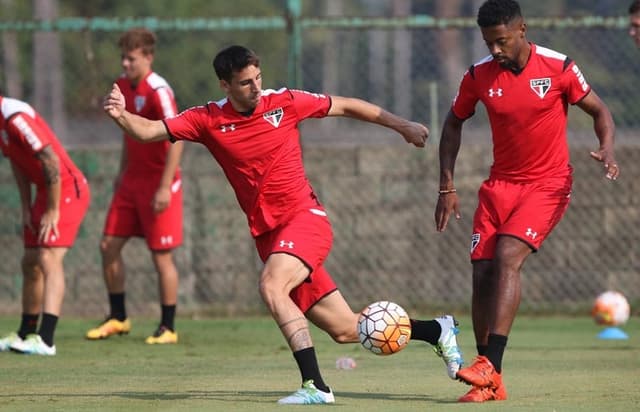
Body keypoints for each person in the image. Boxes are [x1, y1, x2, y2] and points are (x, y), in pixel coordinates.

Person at [102, 44, 463, 405]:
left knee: (272, 287)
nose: (256, 88)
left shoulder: (284, 102)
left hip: (305, 220)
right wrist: (120, 115)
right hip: (270, 236)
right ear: (225, 85)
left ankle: (316, 386)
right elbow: (149, 131)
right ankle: (436, 330)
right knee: (346, 329)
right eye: (245, 83)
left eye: (258, 78)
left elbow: (347, 105)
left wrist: (402, 126)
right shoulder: (207, 118)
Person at [434, 0, 619, 403]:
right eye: (488, 43)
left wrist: (607, 148)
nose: (495, 50)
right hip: (499, 187)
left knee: (507, 256)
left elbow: (599, 110)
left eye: (501, 41)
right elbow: (452, 123)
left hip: (548, 184)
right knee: (481, 273)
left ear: (522, 29)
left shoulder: (558, 67)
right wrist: (446, 186)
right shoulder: (478, 75)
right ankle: (489, 380)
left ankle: (489, 363)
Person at [85, 28, 184, 344]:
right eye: (123, 57)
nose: (125, 63)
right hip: (130, 182)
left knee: (161, 257)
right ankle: (118, 317)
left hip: (158, 182)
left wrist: (165, 186)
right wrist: (121, 173)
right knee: (108, 246)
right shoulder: (122, 87)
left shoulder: (158, 89)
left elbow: (177, 136)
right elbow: (129, 133)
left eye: (131, 58)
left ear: (148, 57)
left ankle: (168, 327)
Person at [0, 94, 90, 356]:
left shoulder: (14, 116)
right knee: (29, 261)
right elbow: (17, 163)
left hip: (67, 189)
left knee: (48, 258)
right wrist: (26, 206)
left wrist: (52, 210)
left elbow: (49, 159)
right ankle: (25, 333)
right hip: (43, 190)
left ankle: (46, 339)